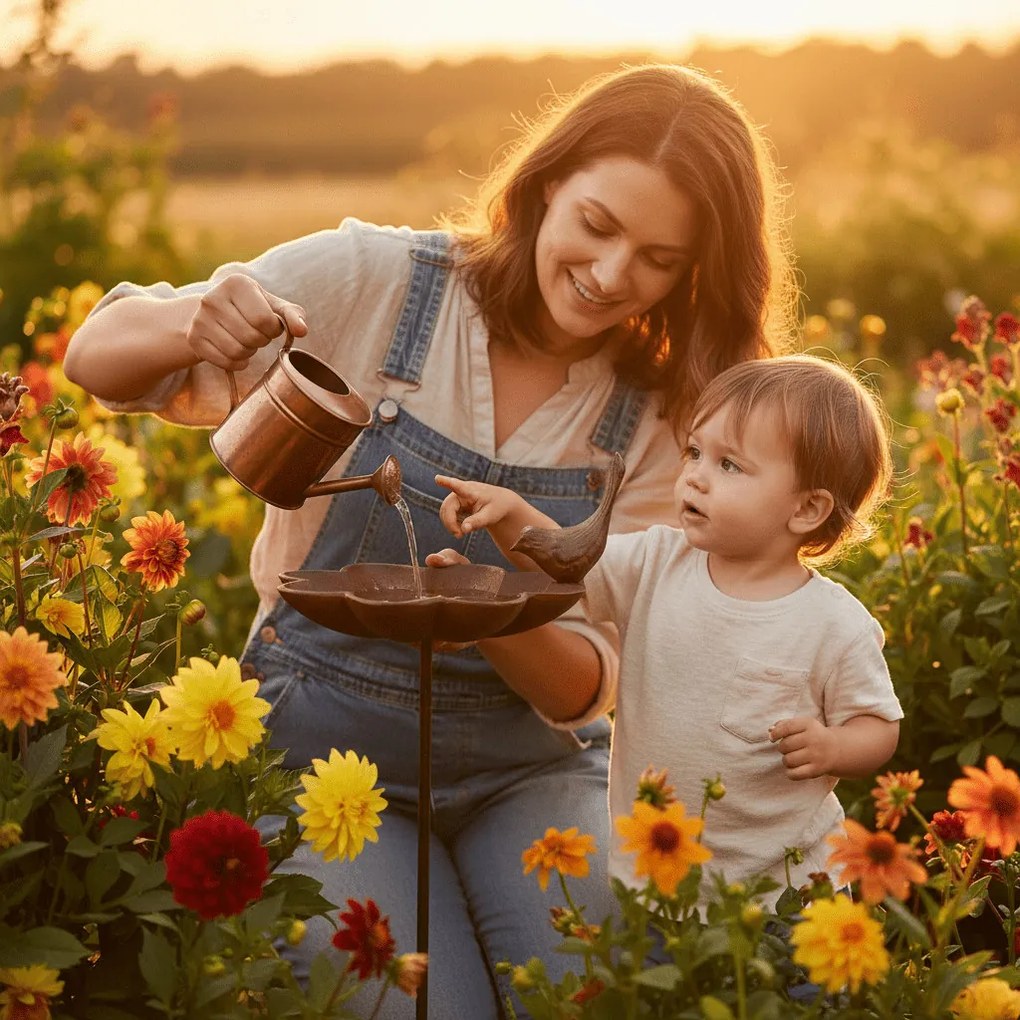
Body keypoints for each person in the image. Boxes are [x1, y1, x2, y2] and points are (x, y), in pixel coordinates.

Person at [63, 63, 797, 1018]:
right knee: (416, 1007)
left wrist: (487, 618)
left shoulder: (668, 416)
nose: (614, 275)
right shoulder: (378, 280)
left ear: (696, 267)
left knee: (588, 993)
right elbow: (96, 356)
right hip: (318, 744)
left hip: (526, 767)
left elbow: (591, 682)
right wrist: (190, 319)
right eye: (598, 225)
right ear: (543, 189)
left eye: (659, 258)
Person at [430, 355, 903, 907]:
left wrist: (834, 746)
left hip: (783, 895)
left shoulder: (833, 624)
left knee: (765, 997)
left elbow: (880, 726)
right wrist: (509, 512)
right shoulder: (657, 561)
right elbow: (565, 559)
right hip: (654, 875)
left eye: (730, 466)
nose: (695, 475)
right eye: (695, 452)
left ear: (807, 509)